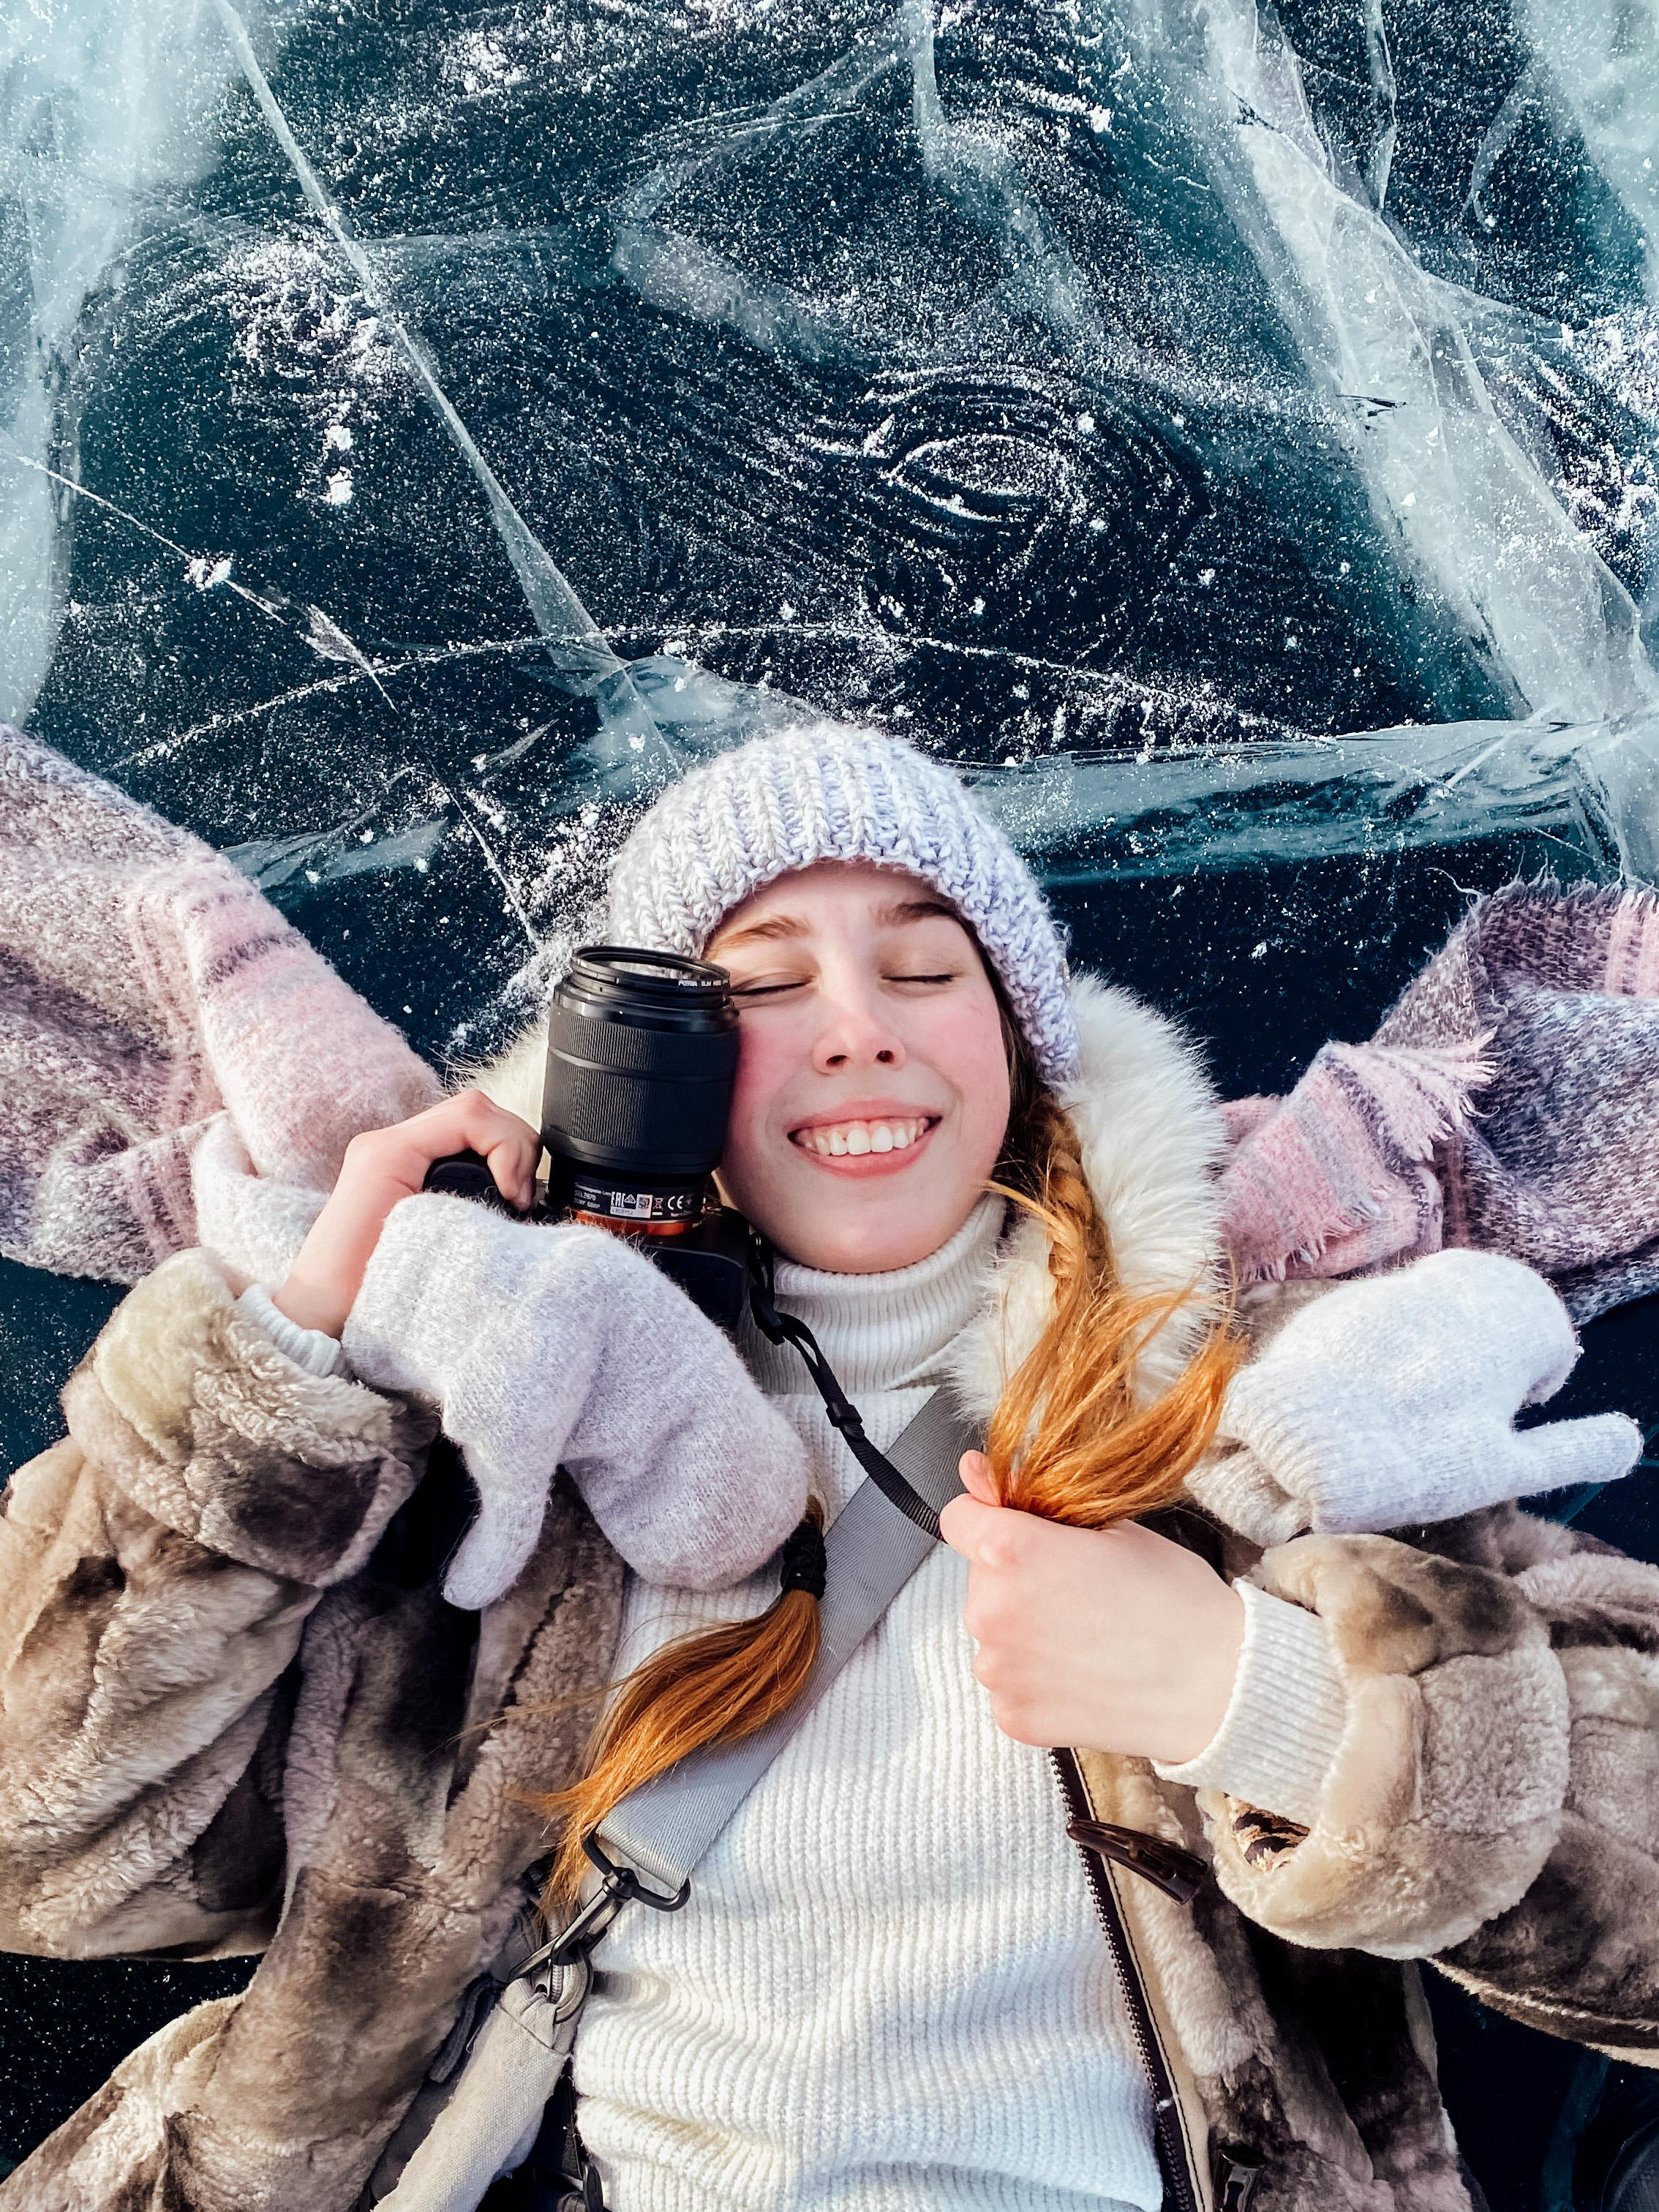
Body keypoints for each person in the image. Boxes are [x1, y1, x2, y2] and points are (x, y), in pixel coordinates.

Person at [0, 726, 1655, 2212]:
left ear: (1018, 1042)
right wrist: (292, 1357)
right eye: (766, 983)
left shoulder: (1269, 1407)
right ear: (650, 1073)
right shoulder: (496, 1437)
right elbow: (48, 1854)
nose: (858, 1028)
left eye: (926, 969)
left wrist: (1265, 1694)